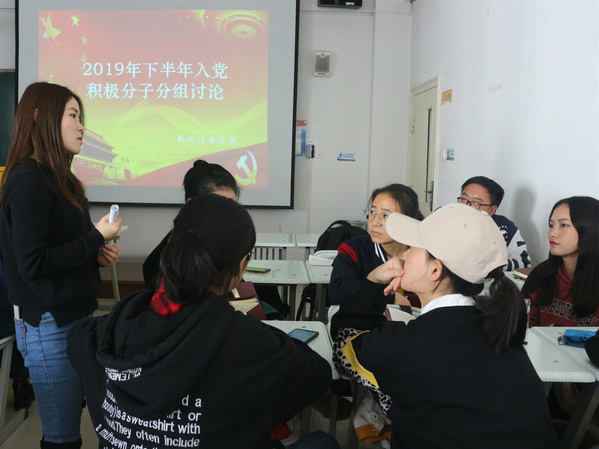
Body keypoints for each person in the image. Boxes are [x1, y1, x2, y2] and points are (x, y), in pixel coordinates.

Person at [67, 194, 339, 449]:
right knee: (322, 443)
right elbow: (316, 376)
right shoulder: (251, 344)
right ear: (241, 266)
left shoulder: (105, 330)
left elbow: (76, 341)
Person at [331, 203, 555, 449]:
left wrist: (373, 282)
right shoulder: (499, 328)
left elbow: (345, 343)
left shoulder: (407, 345)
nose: (404, 254)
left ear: (435, 269)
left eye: (412, 248)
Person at [1, 82, 122, 449]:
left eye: (81, 117)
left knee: (70, 425)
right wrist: (95, 237)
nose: (82, 126)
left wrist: (94, 254)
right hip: (48, 324)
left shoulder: (58, 179)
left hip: (74, 317)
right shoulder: (28, 179)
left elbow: (59, 249)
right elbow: (33, 263)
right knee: (62, 437)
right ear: (40, 118)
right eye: (73, 115)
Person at [142, 159, 287, 319]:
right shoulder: (161, 261)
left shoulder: (226, 242)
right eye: (217, 205)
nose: (228, 215)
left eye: (232, 206)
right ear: (192, 204)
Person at [329, 183, 423, 307]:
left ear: (407, 220)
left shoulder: (425, 255)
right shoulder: (353, 249)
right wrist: (387, 296)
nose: (374, 222)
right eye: (372, 212)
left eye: (385, 216)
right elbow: (337, 292)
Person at [523, 196, 599, 327]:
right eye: (551, 225)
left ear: (591, 229)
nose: (552, 233)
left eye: (563, 225)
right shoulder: (542, 275)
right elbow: (525, 326)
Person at [458, 176, 531, 271]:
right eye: (464, 199)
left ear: (492, 210)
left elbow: (524, 264)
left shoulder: (505, 228)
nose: (466, 205)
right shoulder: (445, 218)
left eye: (476, 203)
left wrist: (489, 265)